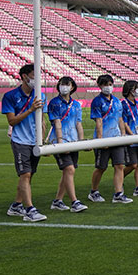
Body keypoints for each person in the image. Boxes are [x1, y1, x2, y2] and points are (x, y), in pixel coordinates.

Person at [2, 64, 47, 222]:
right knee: (25, 174)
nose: (36, 79)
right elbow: (12, 121)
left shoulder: (41, 95)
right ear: (24, 77)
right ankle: (30, 210)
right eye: (33, 75)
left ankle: (16, 205)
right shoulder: (10, 96)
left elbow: (42, 119)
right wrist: (30, 109)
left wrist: (42, 139)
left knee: (29, 175)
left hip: (35, 141)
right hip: (20, 140)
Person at [46, 76, 88, 213]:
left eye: (66, 84)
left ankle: (58, 201)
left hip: (73, 141)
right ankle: (74, 202)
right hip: (60, 142)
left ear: (72, 87)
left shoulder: (76, 105)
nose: (63, 86)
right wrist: (60, 143)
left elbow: (78, 123)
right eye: (61, 84)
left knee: (68, 172)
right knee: (69, 170)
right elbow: (57, 123)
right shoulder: (54, 103)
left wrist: (81, 142)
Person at [88, 74, 131, 204]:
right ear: (100, 86)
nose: (108, 87)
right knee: (101, 167)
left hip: (117, 138)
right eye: (105, 84)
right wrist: (101, 140)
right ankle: (93, 191)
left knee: (119, 165)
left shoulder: (117, 101)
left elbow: (120, 119)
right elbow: (98, 121)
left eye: (110, 84)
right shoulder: (97, 101)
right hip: (104, 139)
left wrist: (123, 135)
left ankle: (118, 193)